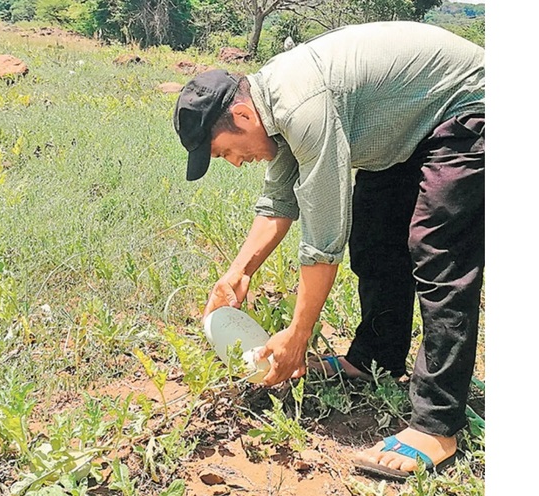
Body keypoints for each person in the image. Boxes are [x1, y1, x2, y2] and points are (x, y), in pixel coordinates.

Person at [173, 21, 484, 481]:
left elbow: (322, 238)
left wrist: (299, 336)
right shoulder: (271, 106)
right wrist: (238, 272)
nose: (235, 163)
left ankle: (437, 425)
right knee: (375, 240)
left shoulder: (300, 107)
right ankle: (375, 358)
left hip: (469, 108)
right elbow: (279, 200)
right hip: (408, 131)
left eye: (225, 153)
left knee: (437, 251)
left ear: (241, 117)